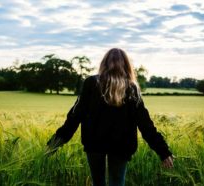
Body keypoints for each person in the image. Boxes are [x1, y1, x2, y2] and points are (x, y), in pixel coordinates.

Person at [47, 48, 173, 186]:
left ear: (104, 63)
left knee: (98, 183)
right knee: (117, 183)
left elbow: (75, 116)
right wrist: (163, 151)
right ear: (126, 65)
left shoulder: (91, 83)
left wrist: (54, 144)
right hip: (122, 146)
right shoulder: (132, 88)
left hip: (94, 144)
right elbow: (146, 124)